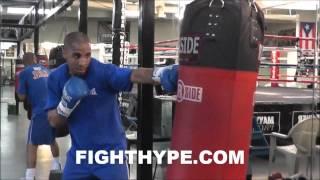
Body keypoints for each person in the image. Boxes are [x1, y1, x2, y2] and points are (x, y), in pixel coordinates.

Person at [46, 32, 177, 179]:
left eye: (88, 55)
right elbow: (53, 121)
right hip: (79, 154)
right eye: (77, 56)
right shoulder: (56, 78)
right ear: (65, 52)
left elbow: (133, 74)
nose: (83, 62)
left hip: (110, 155)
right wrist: (66, 104)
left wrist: (160, 73)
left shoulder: (102, 72)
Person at [17, 52, 61, 180]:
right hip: (54, 110)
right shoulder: (47, 70)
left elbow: (21, 97)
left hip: (40, 111)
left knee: (32, 143)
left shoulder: (24, 73)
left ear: (24, 63)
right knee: (52, 139)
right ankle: (57, 166)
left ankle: (29, 177)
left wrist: (22, 90)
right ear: (35, 59)